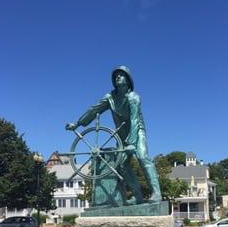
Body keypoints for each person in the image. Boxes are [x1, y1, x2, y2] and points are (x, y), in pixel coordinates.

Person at [66, 66, 162, 204]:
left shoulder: (133, 97)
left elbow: (134, 120)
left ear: (128, 80)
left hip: (137, 131)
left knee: (143, 157)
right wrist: (78, 123)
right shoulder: (110, 97)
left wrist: (132, 143)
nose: (117, 77)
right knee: (122, 165)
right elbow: (94, 110)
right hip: (121, 135)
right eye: (116, 75)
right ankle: (138, 197)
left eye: (121, 75)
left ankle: (157, 194)